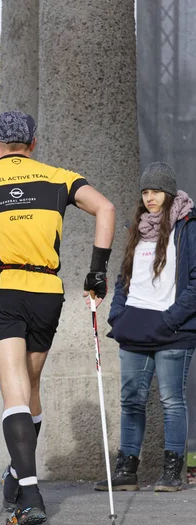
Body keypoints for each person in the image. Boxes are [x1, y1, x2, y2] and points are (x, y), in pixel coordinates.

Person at [0, 111, 115, 525]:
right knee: (31, 387)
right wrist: (97, 271)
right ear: (33, 144)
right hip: (47, 294)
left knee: (14, 392)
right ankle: (15, 475)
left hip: (1, 291)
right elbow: (106, 209)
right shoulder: (59, 176)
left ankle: (30, 494)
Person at [94, 162, 196, 493]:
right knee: (131, 400)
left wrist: (171, 318)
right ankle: (127, 470)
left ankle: (171, 471)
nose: (150, 198)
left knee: (171, 400)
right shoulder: (136, 229)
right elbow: (125, 277)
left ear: (169, 192)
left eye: (155, 191)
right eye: (145, 192)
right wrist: (117, 313)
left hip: (173, 328)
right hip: (134, 325)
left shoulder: (187, 227)